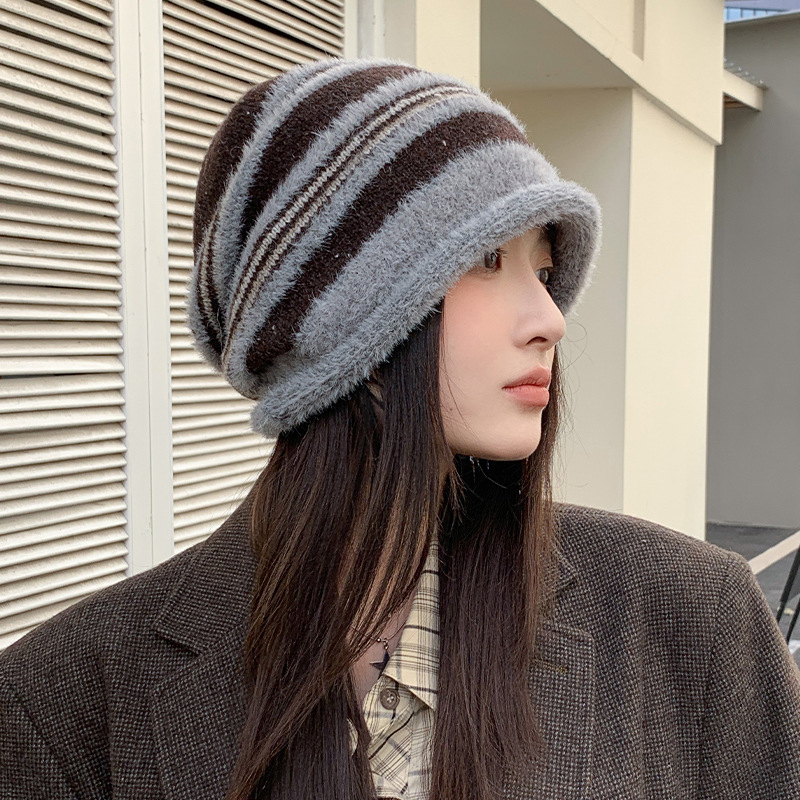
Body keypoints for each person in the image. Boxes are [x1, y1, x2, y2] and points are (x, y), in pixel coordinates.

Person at [1, 56, 799, 800]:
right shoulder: (62, 703)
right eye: (487, 260)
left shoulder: (694, 620)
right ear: (325, 314)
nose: (551, 319)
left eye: (543, 269)